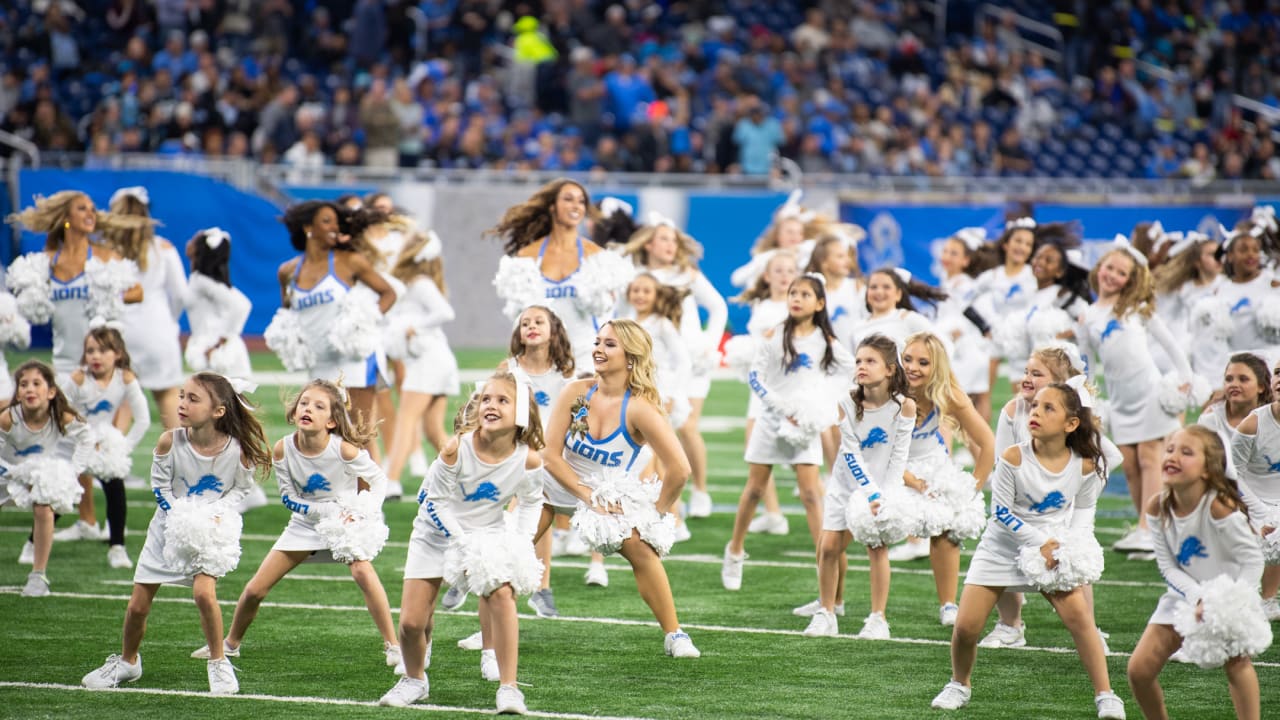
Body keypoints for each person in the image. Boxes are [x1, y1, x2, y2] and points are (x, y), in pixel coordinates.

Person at [931, 381, 1126, 719]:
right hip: (1003, 546)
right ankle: (959, 684)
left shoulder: (1084, 465)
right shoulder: (1013, 457)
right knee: (966, 628)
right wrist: (1041, 542)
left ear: (1071, 424)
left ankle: (1106, 694)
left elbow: (1083, 514)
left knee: (1081, 620)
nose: (1035, 412)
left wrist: (1067, 548)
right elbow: (1001, 513)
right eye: (1035, 405)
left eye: (1048, 408)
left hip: (1053, 546)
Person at [81, 373, 270, 694]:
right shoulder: (170, 441)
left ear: (219, 411)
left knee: (203, 595)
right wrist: (180, 515)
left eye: (193, 399)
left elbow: (241, 490)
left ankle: (219, 662)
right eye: (182, 396)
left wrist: (215, 514)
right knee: (138, 606)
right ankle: (128, 662)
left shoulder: (237, 451)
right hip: (167, 529)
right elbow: (160, 487)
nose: (182, 403)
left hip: (210, 532)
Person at [195, 379, 400, 668]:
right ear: (294, 412)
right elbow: (289, 499)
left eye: (318, 406)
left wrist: (363, 510)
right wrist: (326, 511)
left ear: (331, 421)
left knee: (363, 574)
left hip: (343, 524)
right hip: (304, 525)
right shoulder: (283, 449)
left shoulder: (344, 451)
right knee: (255, 590)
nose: (308, 409)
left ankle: (393, 645)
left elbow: (379, 480)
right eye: (304, 403)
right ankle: (230, 644)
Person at [380, 371, 545, 713]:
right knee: (412, 623)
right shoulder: (457, 448)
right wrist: (462, 542)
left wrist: (520, 541)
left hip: (489, 533)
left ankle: (509, 687)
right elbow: (433, 502)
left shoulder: (527, 459)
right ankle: (415, 680)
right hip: (435, 534)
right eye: (486, 399)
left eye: (503, 400)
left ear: (522, 414)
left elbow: (532, 501)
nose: (491, 405)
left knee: (502, 595)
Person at [540, 319, 701, 658]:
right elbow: (550, 456)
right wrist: (586, 495)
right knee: (515, 547)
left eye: (610, 344)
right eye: (598, 342)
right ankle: (487, 634)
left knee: (643, 551)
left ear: (631, 356)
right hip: (557, 483)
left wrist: (656, 513)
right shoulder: (576, 392)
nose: (598, 349)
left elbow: (680, 469)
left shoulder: (641, 408)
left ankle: (675, 635)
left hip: (607, 495)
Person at [985, 342, 1122, 652]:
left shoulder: (1072, 418)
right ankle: (1010, 625)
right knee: (1001, 551)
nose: (1026, 378)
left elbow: (1108, 458)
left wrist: (1072, 493)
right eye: (1025, 371)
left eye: (1037, 373)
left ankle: (1088, 628)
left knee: (1076, 563)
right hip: (1019, 506)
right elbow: (1000, 461)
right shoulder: (1013, 409)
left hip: (1061, 510)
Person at [722, 274, 855, 591]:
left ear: (819, 303)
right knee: (755, 489)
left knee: (811, 495)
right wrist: (782, 408)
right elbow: (755, 377)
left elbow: (851, 374)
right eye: (793, 293)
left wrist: (818, 407)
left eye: (805, 294)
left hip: (803, 425)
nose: (796, 298)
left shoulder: (827, 343)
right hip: (772, 421)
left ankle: (822, 563)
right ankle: (735, 550)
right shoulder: (775, 333)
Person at [1127, 426, 1264, 720]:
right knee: (1139, 671)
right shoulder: (1157, 506)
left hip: (1230, 597)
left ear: (1207, 469)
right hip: (1183, 596)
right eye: (1171, 449)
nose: (1173, 456)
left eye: (1186, 452)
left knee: (1237, 664)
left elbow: (1253, 560)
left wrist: (1228, 602)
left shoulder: (1219, 506)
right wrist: (1197, 597)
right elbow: (1168, 567)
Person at [1077, 238, 1192, 558]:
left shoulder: (1137, 309)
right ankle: (1151, 527)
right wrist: (1089, 400)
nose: (1113, 275)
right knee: (1129, 466)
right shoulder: (1086, 316)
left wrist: (1185, 379)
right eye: (1110, 268)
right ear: (1099, 268)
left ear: (1131, 279)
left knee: (1149, 458)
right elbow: (1087, 362)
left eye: (1122, 272)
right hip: (1121, 400)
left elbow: (1171, 346)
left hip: (1150, 394)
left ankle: (1147, 529)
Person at [801, 334, 915, 637]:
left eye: (870, 361)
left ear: (890, 369)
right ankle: (827, 612)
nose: (861, 366)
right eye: (858, 361)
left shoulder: (904, 407)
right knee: (828, 547)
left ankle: (878, 618)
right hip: (846, 482)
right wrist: (870, 493)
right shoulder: (847, 402)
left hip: (883, 484)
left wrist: (885, 496)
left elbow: (898, 456)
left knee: (877, 549)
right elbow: (850, 453)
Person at [619, 213, 727, 519]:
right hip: (656, 367)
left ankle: (700, 491)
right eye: (664, 238)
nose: (671, 245)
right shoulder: (635, 276)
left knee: (687, 426)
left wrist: (709, 342)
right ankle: (669, 504)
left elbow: (718, 307)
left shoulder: (687, 274)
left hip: (690, 360)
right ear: (649, 242)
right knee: (657, 435)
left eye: (674, 240)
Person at [268, 200, 397, 439]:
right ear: (308, 228)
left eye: (336, 223)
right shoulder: (288, 271)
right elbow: (287, 313)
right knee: (321, 437)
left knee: (357, 437)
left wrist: (365, 324)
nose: (334, 227)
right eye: (326, 221)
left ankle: (379, 478)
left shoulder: (349, 261)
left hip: (354, 359)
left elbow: (389, 293)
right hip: (319, 361)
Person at [896, 332, 995, 631]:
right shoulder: (888, 392)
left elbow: (988, 444)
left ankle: (948, 604)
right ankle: (840, 605)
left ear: (937, 367)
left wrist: (971, 489)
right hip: (892, 469)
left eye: (923, 362)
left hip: (934, 470)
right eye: (908, 359)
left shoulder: (950, 396)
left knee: (947, 526)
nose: (912, 367)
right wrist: (909, 480)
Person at [490, 178, 634, 370]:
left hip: (586, 359)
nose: (576, 206)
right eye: (568, 199)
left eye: (581, 201)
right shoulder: (527, 257)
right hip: (541, 360)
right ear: (552, 206)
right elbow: (520, 317)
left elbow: (608, 312)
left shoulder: (597, 257)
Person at [5, 191, 144, 381]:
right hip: (64, 366)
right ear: (66, 218)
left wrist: (110, 297)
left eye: (93, 210)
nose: (90, 214)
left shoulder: (104, 257)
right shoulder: (46, 262)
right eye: (82, 209)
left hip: (100, 366)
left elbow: (137, 292)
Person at [56, 327, 151, 569]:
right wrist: (82, 437)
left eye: (103, 350)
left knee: (116, 487)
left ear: (118, 354)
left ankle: (117, 548)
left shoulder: (125, 378)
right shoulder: (78, 378)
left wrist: (122, 448)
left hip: (104, 446)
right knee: (59, 490)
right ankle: (33, 542)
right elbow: (58, 411)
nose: (96, 356)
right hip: (73, 442)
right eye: (90, 351)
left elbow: (143, 420)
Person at [3, 360, 93, 596]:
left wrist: (73, 472)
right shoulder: (8, 418)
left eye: (36, 384)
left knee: (44, 507)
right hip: (6, 473)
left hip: (35, 475)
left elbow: (86, 438)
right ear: (18, 392)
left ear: (51, 392)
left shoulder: (60, 416)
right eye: (23, 385)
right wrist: (13, 473)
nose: (29, 389)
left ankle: (38, 576)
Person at [729, 249, 800, 536]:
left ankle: (825, 507)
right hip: (760, 389)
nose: (785, 277)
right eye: (778, 271)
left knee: (801, 456)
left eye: (790, 271)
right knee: (755, 450)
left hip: (790, 388)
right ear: (767, 276)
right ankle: (773, 514)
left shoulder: (799, 305)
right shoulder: (760, 304)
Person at [382, 230, 458, 494]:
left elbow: (445, 312)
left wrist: (415, 327)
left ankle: (390, 480)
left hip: (429, 360)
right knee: (433, 430)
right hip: (433, 359)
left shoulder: (420, 283)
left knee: (406, 420)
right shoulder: (409, 282)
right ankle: (466, 476)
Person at [105, 186, 187, 429]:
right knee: (168, 396)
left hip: (121, 336)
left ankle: (109, 463)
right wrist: (171, 321)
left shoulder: (106, 252)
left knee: (121, 403)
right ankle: (183, 464)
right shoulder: (164, 248)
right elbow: (181, 295)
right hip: (159, 333)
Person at [1229, 357, 1280, 621]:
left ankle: (1269, 600)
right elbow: (1231, 473)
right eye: (1278, 373)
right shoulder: (1254, 423)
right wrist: (1259, 511)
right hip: (1246, 497)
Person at [183, 228, 252, 379]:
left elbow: (242, 305)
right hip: (212, 350)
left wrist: (221, 341)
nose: (188, 242)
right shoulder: (201, 281)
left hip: (217, 355)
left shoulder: (202, 282)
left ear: (198, 251)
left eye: (193, 240)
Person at [1151, 231, 1222, 376]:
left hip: (1220, 352)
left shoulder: (1228, 285)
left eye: (1220, 253)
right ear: (1197, 262)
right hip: (1194, 353)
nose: (1219, 258)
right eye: (1211, 254)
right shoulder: (1184, 290)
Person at [850, 268, 944, 352]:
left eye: (886, 287)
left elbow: (943, 345)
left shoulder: (907, 318)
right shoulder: (857, 328)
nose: (879, 292)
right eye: (873, 287)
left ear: (898, 294)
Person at [1197, 353, 1272, 457]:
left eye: (1243, 379)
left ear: (1261, 387)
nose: (1234, 384)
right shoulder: (1211, 418)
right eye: (1229, 379)